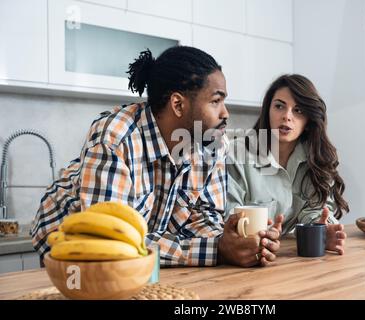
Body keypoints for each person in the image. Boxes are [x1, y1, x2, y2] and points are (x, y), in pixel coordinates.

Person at [31, 46, 261, 267]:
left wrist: (232, 242)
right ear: (178, 104)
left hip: (141, 252)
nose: (225, 113)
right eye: (216, 101)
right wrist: (215, 250)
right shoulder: (115, 138)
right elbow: (111, 239)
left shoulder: (213, 143)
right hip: (69, 244)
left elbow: (203, 219)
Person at [226, 74, 349, 265]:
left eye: (298, 110)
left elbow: (316, 212)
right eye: (279, 106)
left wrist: (322, 230)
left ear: (309, 119)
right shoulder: (236, 154)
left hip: (287, 263)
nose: (287, 116)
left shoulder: (315, 160)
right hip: (243, 261)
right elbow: (229, 220)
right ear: (267, 110)